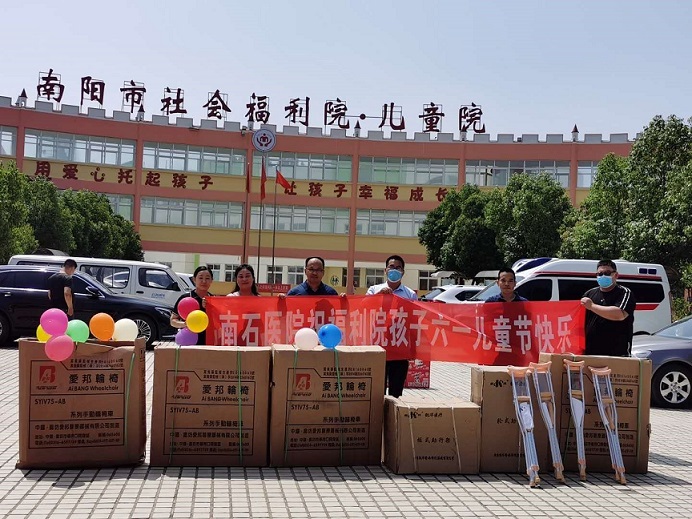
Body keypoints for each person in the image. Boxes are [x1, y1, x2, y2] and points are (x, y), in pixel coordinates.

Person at [366, 255, 418, 398]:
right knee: (377, 392)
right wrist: (378, 296)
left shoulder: (410, 294)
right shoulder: (373, 290)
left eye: (398, 267)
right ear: (385, 270)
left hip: (400, 347)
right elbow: (364, 309)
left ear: (403, 272)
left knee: (396, 393)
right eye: (391, 267)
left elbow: (414, 322)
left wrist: (413, 349)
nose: (394, 270)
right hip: (378, 346)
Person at [581, 259, 636, 357]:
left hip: (616, 353)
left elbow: (619, 314)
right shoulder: (589, 294)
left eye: (607, 273)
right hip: (591, 352)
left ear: (616, 275)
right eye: (600, 274)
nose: (603, 276)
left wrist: (592, 306)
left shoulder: (624, 292)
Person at [171, 265, 214, 345]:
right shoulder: (185, 299)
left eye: (207, 278)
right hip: (188, 341)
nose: (204, 281)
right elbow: (173, 321)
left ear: (211, 281)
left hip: (209, 343)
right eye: (200, 278)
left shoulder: (214, 300)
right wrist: (185, 324)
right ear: (194, 279)